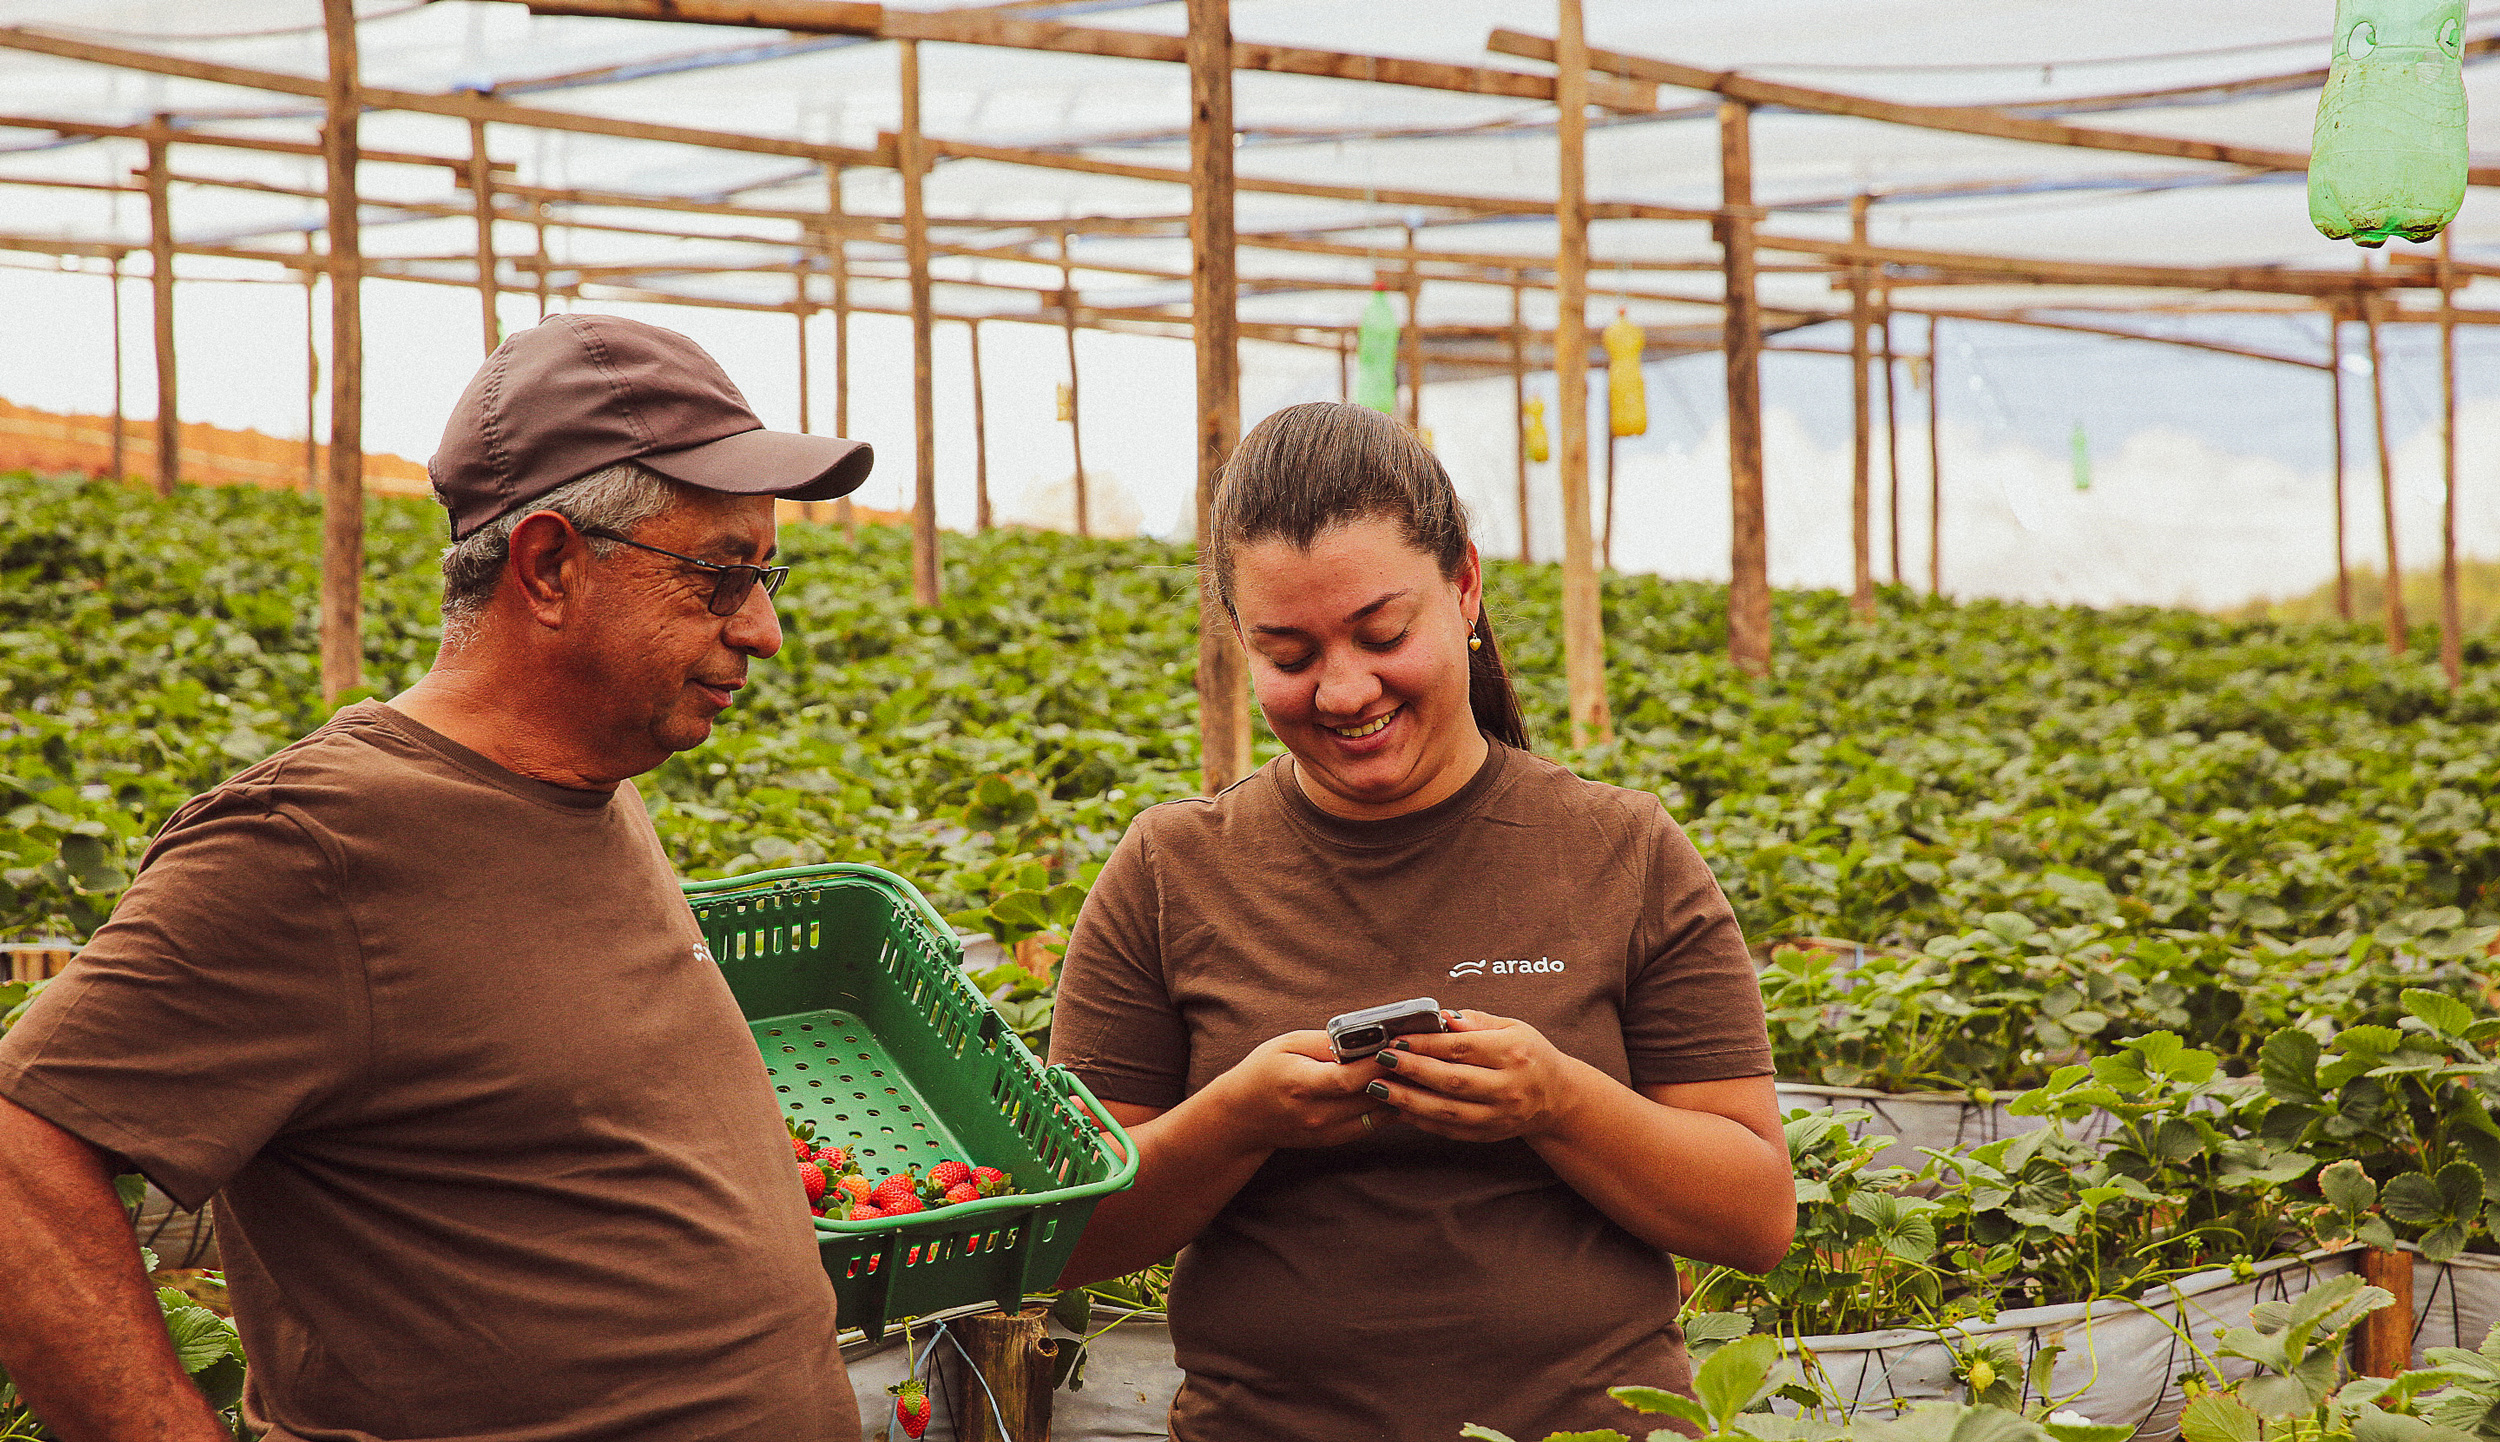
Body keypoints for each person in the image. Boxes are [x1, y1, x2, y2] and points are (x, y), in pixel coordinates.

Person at [0, 315, 876, 1442]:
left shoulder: (589, 776)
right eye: (718, 576)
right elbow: (21, 1155)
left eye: (766, 574)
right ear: (550, 566)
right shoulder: (310, 843)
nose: (763, 629)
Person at [1048, 401, 1796, 1442]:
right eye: (1290, 652)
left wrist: (1557, 1100)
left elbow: (1755, 1213)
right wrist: (1237, 1117)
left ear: (1465, 588)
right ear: (1238, 643)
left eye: (1382, 632)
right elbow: (1065, 1237)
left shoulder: (1620, 849)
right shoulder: (1172, 870)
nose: (1346, 687)